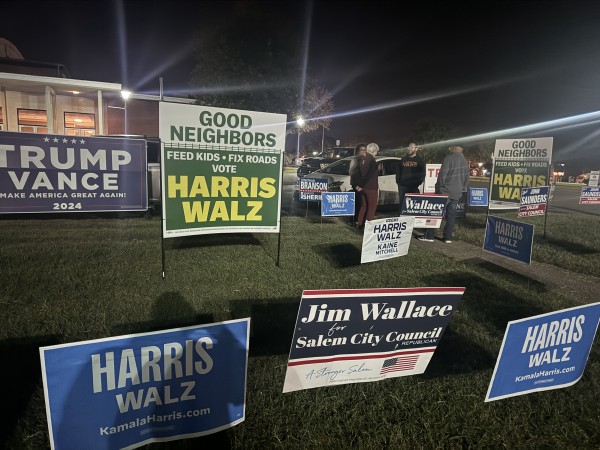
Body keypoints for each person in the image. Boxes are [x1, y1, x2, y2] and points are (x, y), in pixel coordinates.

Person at [419, 145, 469, 243]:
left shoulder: (449, 158)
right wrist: (462, 188)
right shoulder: (465, 161)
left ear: (455, 148)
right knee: (451, 215)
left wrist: (439, 186)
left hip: (445, 191)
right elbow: (467, 178)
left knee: (435, 213)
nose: (449, 149)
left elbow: (442, 175)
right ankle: (448, 237)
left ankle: (429, 236)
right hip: (457, 192)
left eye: (451, 147)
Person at [396, 142, 426, 214]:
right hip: (403, 186)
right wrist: (398, 182)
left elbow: (422, 174)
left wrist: (418, 182)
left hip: (413, 187)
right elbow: (398, 171)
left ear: (416, 149)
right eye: (409, 147)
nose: (410, 149)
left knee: (412, 205)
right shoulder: (403, 159)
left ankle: (411, 220)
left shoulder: (420, 160)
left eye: (412, 147)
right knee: (402, 205)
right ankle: (402, 220)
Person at [355, 143, 379, 228]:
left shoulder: (363, 159)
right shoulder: (372, 160)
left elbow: (360, 173)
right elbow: (369, 174)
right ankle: (369, 226)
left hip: (363, 188)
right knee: (372, 207)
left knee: (364, 206)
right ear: (374, 151)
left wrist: (359, 185)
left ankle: (360, 223)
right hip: (371, 187)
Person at [350, 143, 367, 225]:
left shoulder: (366, 159)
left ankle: (360, 220)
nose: (364, 151)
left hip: (364, 185)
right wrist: (356, 185)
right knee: (358, 203)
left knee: (363, 204)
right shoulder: (355, 159)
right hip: (357, 185)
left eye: (365, 149)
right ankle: (354, 220)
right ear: (357, 151)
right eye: (361, 150)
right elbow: (352, 173)